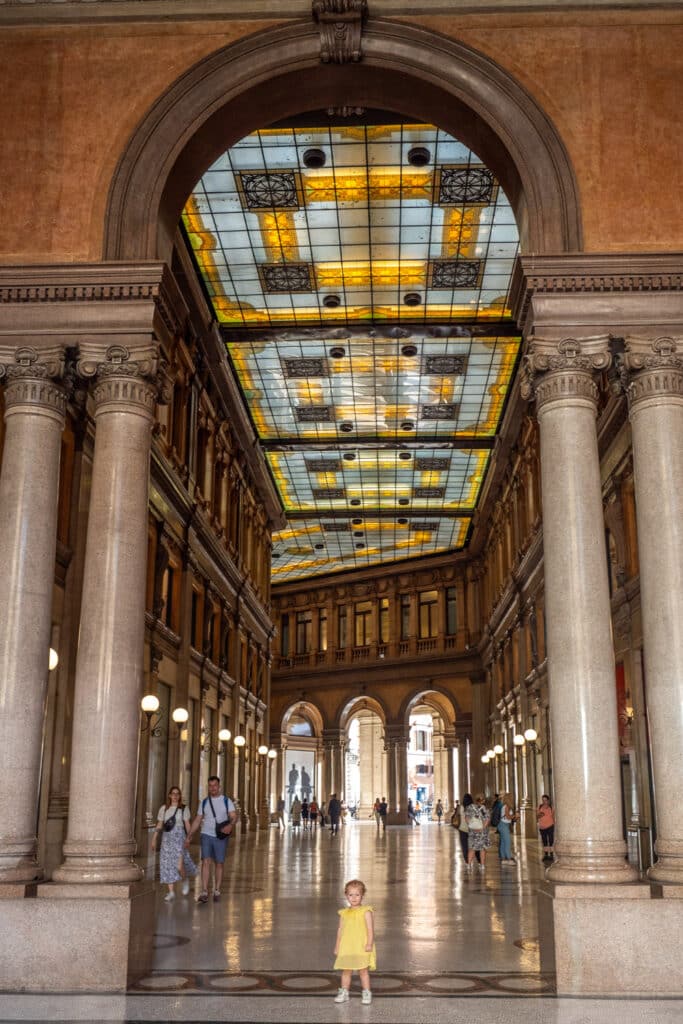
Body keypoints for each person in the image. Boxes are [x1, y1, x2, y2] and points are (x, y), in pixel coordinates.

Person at [185, 775, 236, 903]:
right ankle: (204, 891)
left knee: (219, 863)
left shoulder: (226, 801)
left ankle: (217, 889)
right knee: (205, 861)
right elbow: (197, 820)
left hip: (220, 836)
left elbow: (234, 816)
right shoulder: (204, 802)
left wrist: (230, 825)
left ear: (219, 786)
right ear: (209, 787)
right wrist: (189, 835)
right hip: (206, 835)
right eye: (211, 786)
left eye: (215, 786)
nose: (213, 788)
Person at [333, 878, 376, 1005]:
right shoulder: (344, 913)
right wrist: (337, 946)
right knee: (346, 971)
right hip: (347, 946)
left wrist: (369, 943)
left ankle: (367, 992)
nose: (354, 898)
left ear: (362, 895)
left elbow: (370, 929)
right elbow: (340, 930)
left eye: (357, 894)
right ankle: (344, 992)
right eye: (351, 895)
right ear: (346, 895)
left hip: (361, 946)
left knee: (363, 970)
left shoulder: (366, 911)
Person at [151, 785, 197, 902]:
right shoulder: (164, 809)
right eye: (173, 793)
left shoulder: (184, 808)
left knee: (178, 865)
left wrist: (189, 838)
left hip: (179, 837)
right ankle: (171, 892)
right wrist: (154, 838)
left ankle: (184, 879)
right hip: (167, 838)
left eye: (178, 794)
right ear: (169, 795)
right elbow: (160, 824)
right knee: (166, 865)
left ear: (180, 796)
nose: (175, 796)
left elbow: (187, 824)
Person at [465, 792, 490, 872]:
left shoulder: (470, 807)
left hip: (472, 832)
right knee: (482, 849)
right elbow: (487, 820)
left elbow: (467, 818)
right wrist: (482, 828)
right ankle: (482, 865)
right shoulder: (484, 808)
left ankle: (469, 865)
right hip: (482, 832)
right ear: (483, 800)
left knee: (472, 848)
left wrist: (471, 826)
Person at [498, 792, 518, 864]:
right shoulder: (506, 806)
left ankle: (503, 858)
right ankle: (509, 858)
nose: (513, 799)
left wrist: (515, 817)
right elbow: (508, 817)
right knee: (507, 842)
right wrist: (514, 816)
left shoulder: (507, 806)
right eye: (512, 797)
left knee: (503, 842)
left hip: (504, 825)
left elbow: (509, 818)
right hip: (503, 825)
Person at [537, 794, 555, 861]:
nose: (544, 802)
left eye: (545, 800)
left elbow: (553, 817)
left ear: (548, 800)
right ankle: (546, 855)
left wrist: (554, 824)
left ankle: (552, 855)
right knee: (544, 841)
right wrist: (540, 815)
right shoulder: (540, 807)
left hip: (550, 826)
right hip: (542, 827)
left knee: (551, 840)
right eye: (543, 800)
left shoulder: (551, 807)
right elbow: (537, 816)